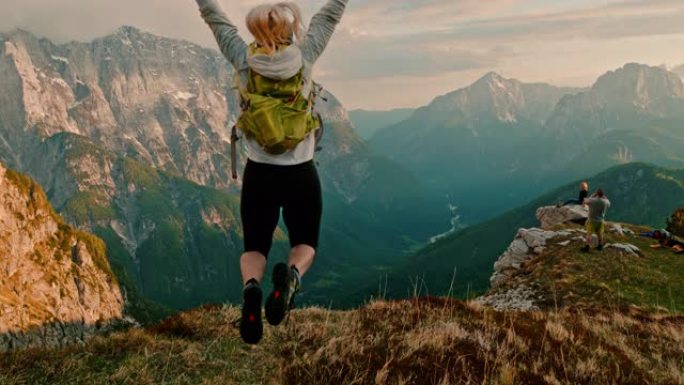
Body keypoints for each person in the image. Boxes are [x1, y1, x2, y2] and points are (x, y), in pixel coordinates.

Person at [195, 0, 349, 344]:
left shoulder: (243, 59)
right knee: (305, 242)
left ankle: (252, 290)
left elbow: (216, 20)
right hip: (301, 173)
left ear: (254, 29)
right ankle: (291, 278)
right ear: (289, 29)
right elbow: (330, 15)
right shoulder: (305, 56)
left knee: (255, 248)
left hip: (259, 174)